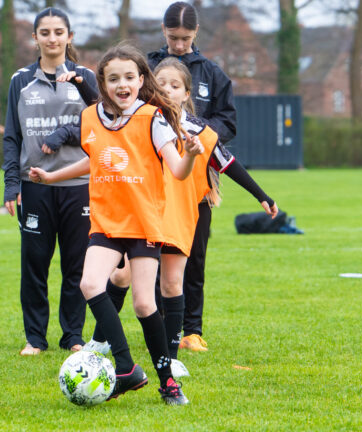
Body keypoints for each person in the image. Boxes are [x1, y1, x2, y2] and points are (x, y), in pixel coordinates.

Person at [80, 58, 278, 378]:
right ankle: (100, 339)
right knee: (120, 277)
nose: (168, 90)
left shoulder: (199, 131)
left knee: (171, 284)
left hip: (178, 218)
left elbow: (229, 165)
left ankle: (170, 357)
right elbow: (99, 114)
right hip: (143, 215)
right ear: (150, 86)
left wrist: (262, 196)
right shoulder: (140, 119)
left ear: (187, 94)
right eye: (162, 84)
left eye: (175, 86)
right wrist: (80, 84)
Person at [29, 44, 202, 405]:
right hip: (106, 223)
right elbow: (97, 162)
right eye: (113, 79)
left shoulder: (153, 118)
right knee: (91, 283)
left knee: (143, 304)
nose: (121, 84)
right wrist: (51, 177)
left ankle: (168, 382)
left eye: (128, 77)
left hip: (142, 225)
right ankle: (125, 366)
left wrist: (190, 155)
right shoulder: (91, 117)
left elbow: (177, 170)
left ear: (141, 80)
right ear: (103, 84)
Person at [1, 7, 99, 356]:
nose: (53, 38)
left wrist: (62, 135)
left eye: (59, 32)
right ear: (35, 38)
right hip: (35, 186)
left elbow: (100, 128)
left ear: (70, 37)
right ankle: (35, 339)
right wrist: (11, 185)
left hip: (79, 186)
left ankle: (72, 336)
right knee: (35, 264)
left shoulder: (85, 76)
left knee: (76, 264)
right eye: (45, 32)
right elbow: (12, 136)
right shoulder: (20, 81)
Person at [143, 1, 238, 352]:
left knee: (193, 255)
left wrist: (200, 134)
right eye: (173, 37)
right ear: (163, 32)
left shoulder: (212, 74)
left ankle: (192, 330)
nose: (179, 45)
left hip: (198, 179)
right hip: (154, 179)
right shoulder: (148, 67)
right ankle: (158, 326)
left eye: (185, 38)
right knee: (151, 256)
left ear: (196, 33)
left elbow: (228, 121)